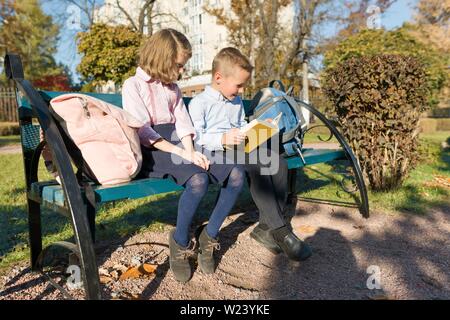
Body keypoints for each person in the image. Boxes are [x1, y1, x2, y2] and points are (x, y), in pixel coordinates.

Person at [122, 30, 245, 282]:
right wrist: (182, 152)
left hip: (179, 141)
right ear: (162, 58)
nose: (181, 72)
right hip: (152, 148)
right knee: (198, 180)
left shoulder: (173, 88)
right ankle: (179, 243)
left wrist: (190, 150)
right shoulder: (133, 85)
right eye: (179, 65)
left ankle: (209, 236)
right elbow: (144, 132)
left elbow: (183, 122)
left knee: (235, 174)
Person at [188, 47, 312, 261]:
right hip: (213, 152)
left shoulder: (235, 101)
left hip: (237, 148)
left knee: (278, 162)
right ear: (219, 78)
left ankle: (266, 227)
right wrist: (222, 139)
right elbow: (196, 138)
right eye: (239, 85)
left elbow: (239, 126)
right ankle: (280, 231)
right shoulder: (200, 103)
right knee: (257, 164)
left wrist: (258, 128)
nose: (242, 90)